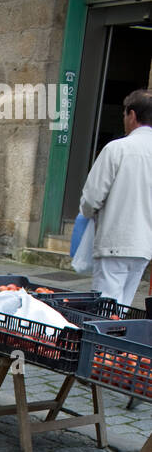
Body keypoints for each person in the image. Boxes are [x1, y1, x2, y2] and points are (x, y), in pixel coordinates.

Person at [79, 88, 152, 306]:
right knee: (123, 306)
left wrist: (88, 215)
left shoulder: (116, 149)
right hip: (144, 245)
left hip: (115, 239)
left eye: (124, 115)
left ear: (132, 115)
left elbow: (91, 198)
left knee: (104, 307)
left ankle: (103, 340)